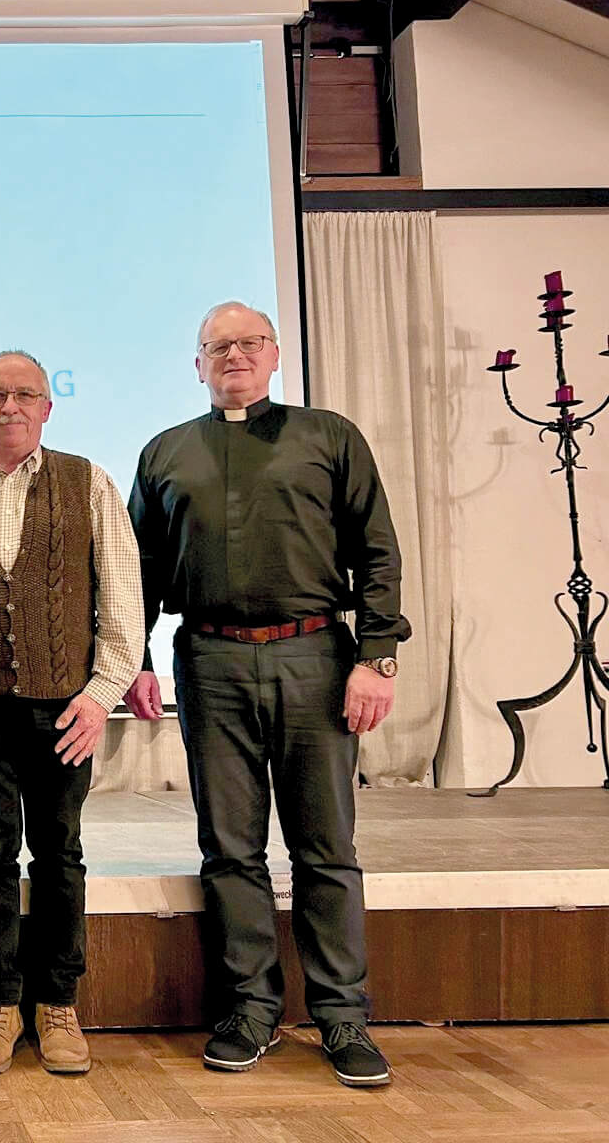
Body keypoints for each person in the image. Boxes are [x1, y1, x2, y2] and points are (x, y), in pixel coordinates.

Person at [125, 301, 409, 1087]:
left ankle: (343, 1018)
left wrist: (377, 656)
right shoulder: (165, 452)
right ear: (198, 364)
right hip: (209, 663)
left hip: (316, 657)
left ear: (275, 355)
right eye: (218, 346)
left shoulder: (329, 437)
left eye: (248, 343)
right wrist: (134, 662)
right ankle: (250, 1010)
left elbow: (376, 549)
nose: (234, 356)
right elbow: (139, 573)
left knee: (326, 848)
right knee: (230, 849)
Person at [0, 349, 144, 1077]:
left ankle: (57, 1003)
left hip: (66, 711)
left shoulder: (89, 482)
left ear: (48, 407)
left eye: (24, 394)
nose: (9, 406)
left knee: (59, 854)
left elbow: (122, 596)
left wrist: (102, 693)